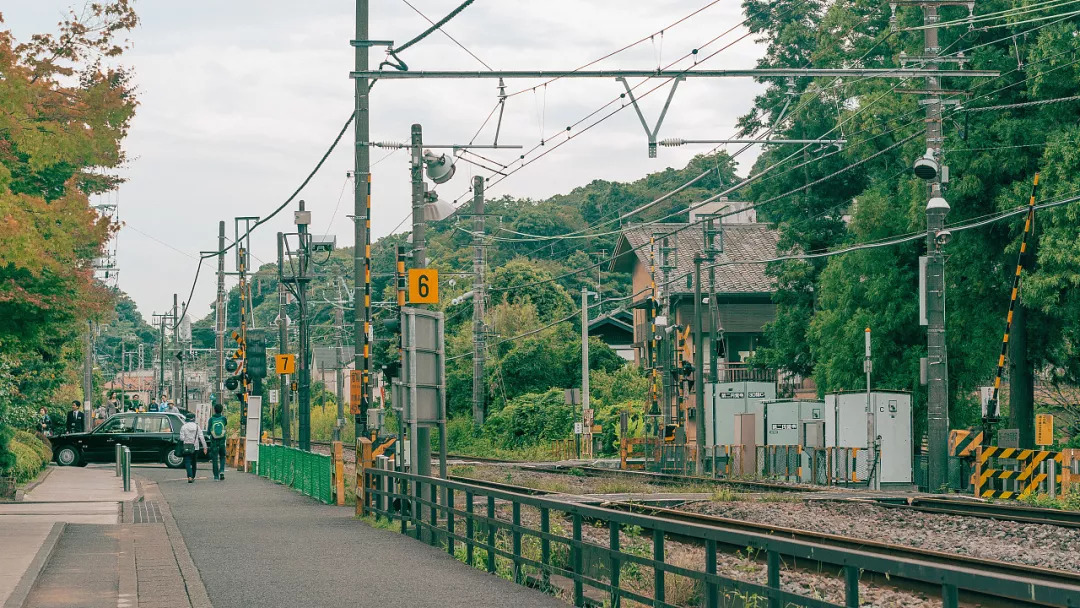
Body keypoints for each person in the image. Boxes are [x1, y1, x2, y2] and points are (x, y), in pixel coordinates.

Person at [178, 416, 208, 483]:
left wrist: (187, 439)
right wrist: (205, 447)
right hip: (195, 447)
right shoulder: (197, 427)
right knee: (194, 462)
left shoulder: (184, 426)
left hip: (186, 446)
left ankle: (190, 476)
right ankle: (193, 476)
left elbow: (181, 438)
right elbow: (201, 437)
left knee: (187, 462)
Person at [207, 403, 228, 481]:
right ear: (221, 410)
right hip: (222, 441)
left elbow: (208, 432)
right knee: (222, 456)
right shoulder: (223, 418)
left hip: (214, 442)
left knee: (215, 458)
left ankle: (216, 476)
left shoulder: (211, 419)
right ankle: (222, 471)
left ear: (214, 410)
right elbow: (225, 425)